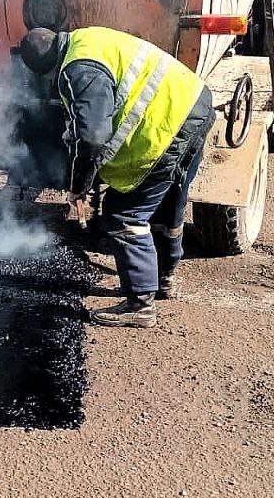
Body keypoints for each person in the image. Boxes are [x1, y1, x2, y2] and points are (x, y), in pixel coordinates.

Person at [19, 25, 215, 328]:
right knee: (168, 202)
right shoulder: (85, 38)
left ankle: (140, 305)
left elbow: (93, 136)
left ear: (46, 71)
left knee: (124, 214)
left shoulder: (76, 71)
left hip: (168, 124)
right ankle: (164, 279)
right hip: (194, 102)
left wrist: (79, 188)